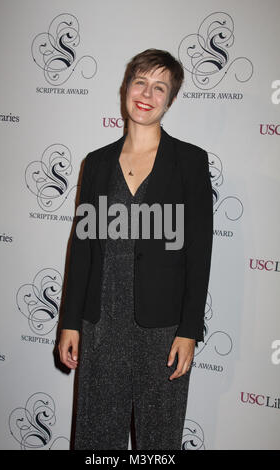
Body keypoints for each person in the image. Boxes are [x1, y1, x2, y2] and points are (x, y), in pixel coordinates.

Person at [58, 48, 213, 450]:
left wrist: (189, 332)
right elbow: (83, 248)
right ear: (126, 88)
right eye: (140, 82)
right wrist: (70, 322)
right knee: (96, 439)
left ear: (171, 99)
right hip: (101, 324)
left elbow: (199, 254)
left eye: (159, 87)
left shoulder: (190, 161)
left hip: (163, 330)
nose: (147, 93)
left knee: (159, 440)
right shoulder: (96, 163)